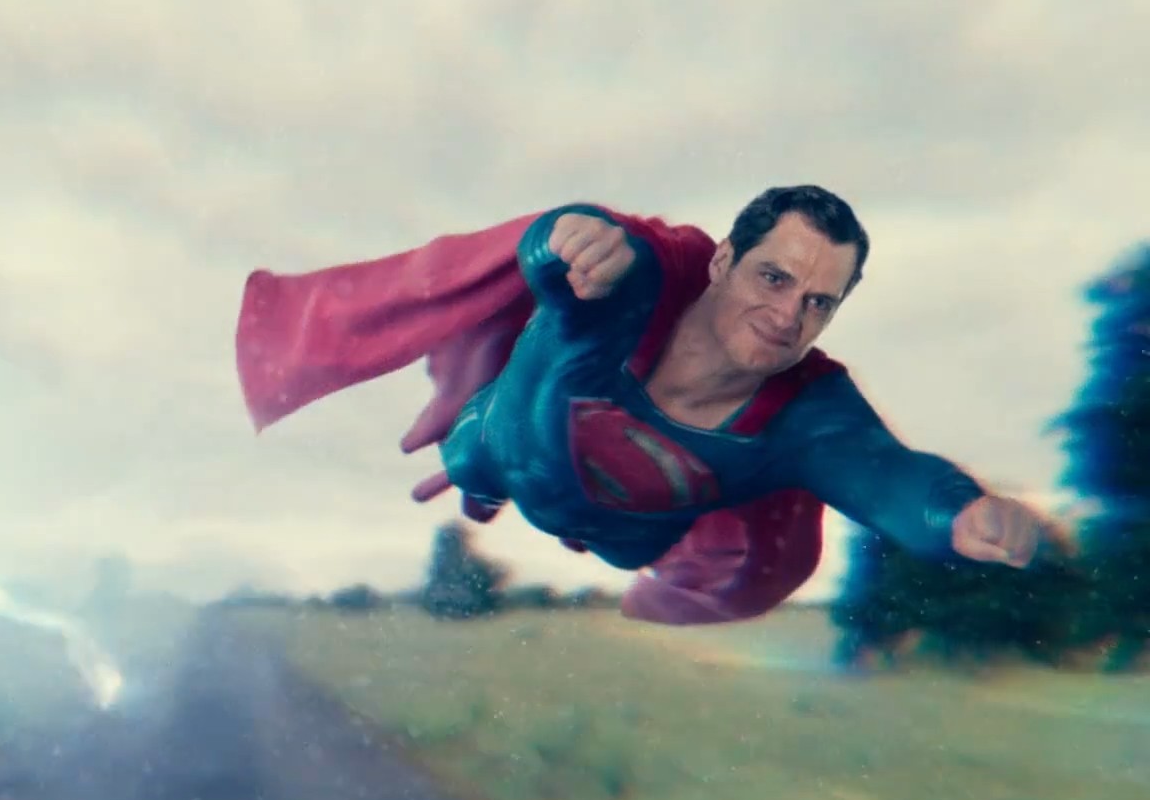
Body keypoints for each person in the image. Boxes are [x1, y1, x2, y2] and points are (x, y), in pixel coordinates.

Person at [236, 185, 1045, 624]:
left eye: (818, 303)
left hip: (627, 530)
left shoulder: (807, 413)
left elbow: (886, 475)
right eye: (773, 278)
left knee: (628, 538)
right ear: (724, 262)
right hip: (505, 445)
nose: (787, 315)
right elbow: (577, 253)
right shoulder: (650, 279)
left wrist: (958, 513)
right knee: (481, 449)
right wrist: (571, 241)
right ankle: (478, 479)